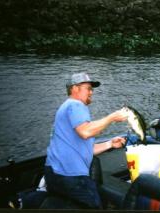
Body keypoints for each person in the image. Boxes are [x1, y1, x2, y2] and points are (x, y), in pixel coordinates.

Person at [44, 72, 128, 209]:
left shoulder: (67, 109)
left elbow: (85, 147)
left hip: (55, 173)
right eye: (88, 88)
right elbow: (86, 132)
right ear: (75, 88)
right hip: (70, 175)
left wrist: (110, 144)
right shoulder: (75, 105)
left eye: (92, 89)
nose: (91, 92)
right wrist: (111, 118)